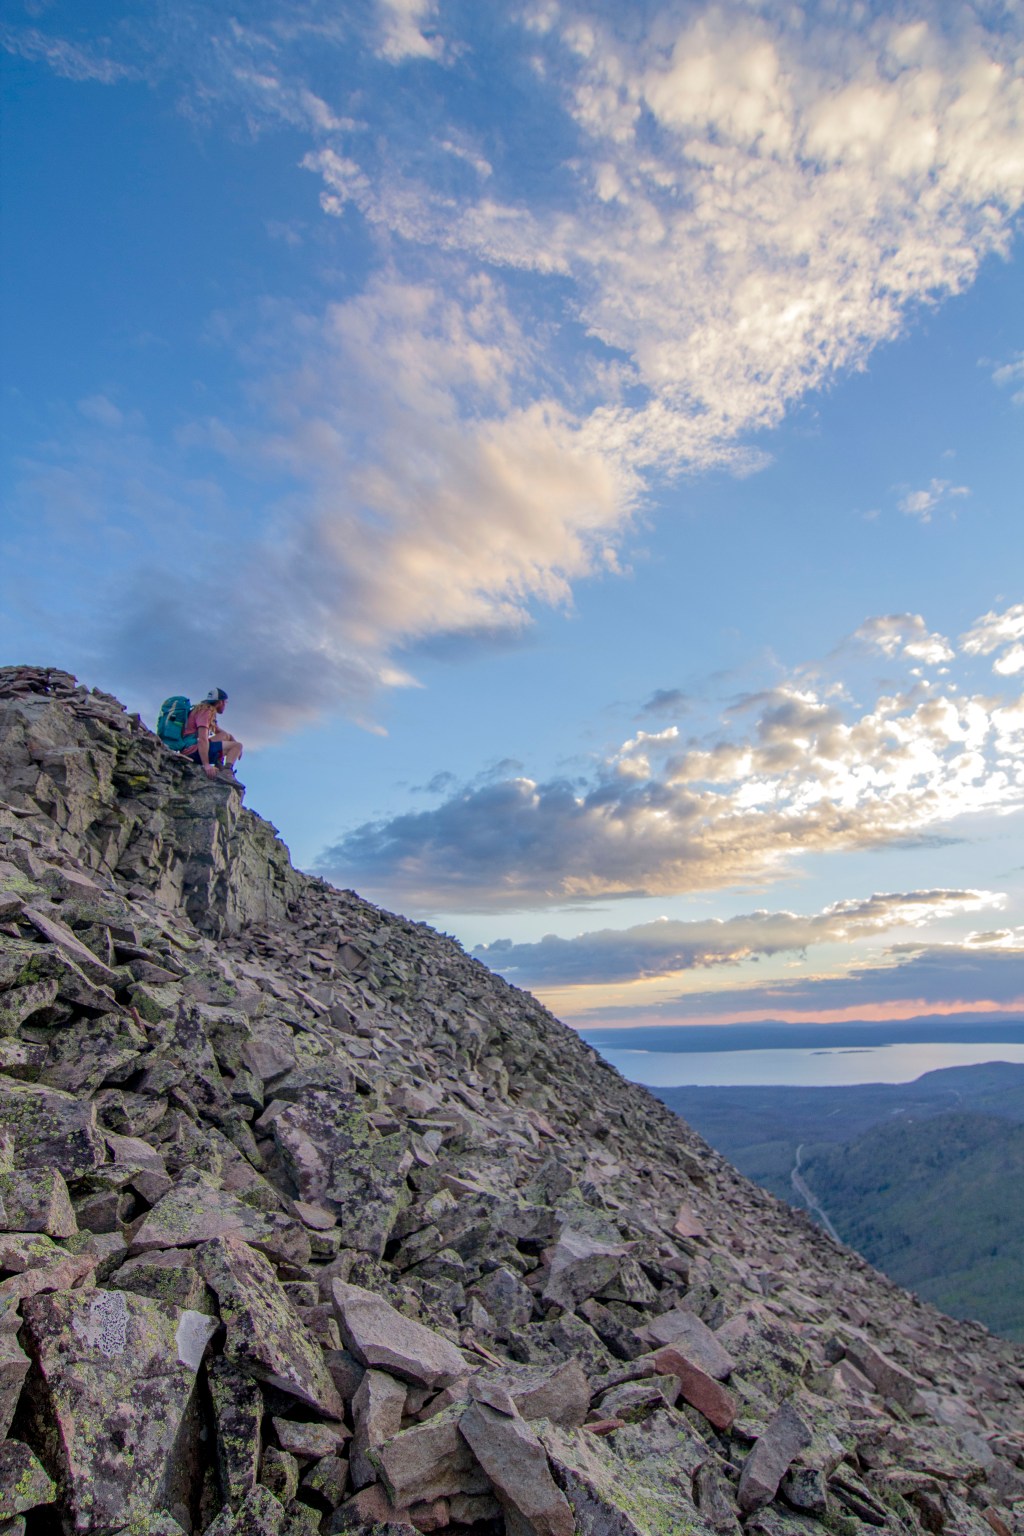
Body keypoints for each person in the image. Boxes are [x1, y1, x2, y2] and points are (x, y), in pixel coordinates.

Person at [181, 688, 243, 779]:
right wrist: (206, 765)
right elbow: (202, 738)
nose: (225, 705)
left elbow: (221, 733)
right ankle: (227, 773)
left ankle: (219, 764)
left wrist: (232, 738)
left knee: (225, 736)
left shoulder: (203, 709)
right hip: (193, 750)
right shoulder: (206, 712)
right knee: (237, 746)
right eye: (225, 703)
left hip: (190, 747)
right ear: (221, 702)